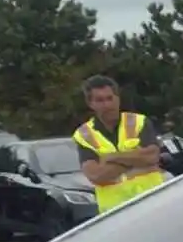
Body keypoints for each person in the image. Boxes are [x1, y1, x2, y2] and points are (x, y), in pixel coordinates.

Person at [72, 75, 168, 213]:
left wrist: (111, 158)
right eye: (100, 100)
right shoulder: (84, 135)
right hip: (116, 214)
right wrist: (135, 157)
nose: (107, 105)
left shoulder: (138, 122)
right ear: (90, 104)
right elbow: (96, 176)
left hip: (152, 203)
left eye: (110, 98)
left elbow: (152, 157)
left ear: (118, 99)